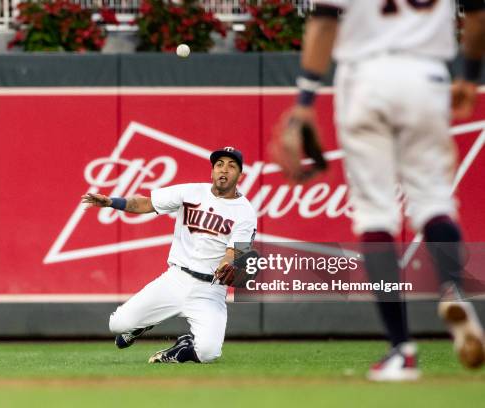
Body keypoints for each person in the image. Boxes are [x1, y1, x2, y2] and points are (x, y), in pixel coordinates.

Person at [271, 0, 485, 381]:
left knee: (376, 215)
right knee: (433, 201)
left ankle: (401, 350)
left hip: (365, 76)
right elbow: (478, 15)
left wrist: (304, 101)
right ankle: (452, 290)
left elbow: (323, 22)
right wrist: (469, 76)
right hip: (428, 76)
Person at [81, 147, 257, 363]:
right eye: (219, 164)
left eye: (232, 166)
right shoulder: (191, 192)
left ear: (240, 174)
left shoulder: (245, 211)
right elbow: (146, 203)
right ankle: (142, 325)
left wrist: (226, 263)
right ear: (212, 171)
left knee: (209, 353)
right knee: (117, 325)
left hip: (210, 290)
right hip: (176, 279)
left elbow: (235, 250)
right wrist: (111, 202)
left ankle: (182, 347)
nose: (224, 170)